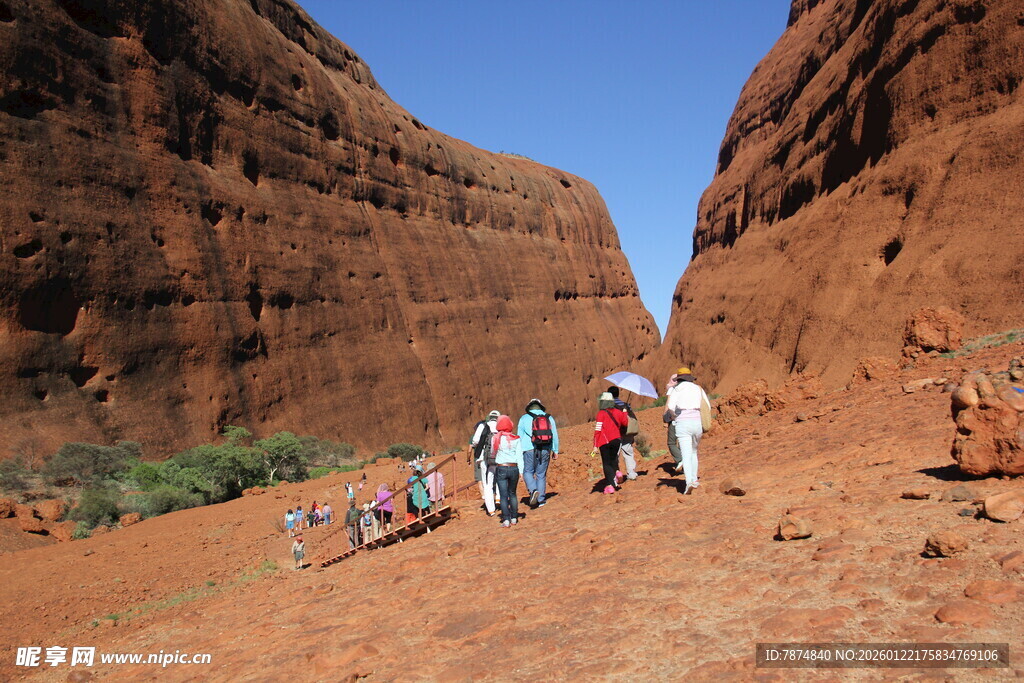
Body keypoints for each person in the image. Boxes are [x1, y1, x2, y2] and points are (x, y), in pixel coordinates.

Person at [664, 366, 711, 495]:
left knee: (686, 453)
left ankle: (689, 481)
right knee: (694, 451)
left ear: (679, 378)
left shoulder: (676, 389)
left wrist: (674, 416)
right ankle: (695, 479)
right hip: (697, 422)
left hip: (682, 423)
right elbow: (707, 405)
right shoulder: (698, 389)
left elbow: (671, 407)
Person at [516, 398, 559, 509]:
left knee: (528, 471)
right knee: (541, 474)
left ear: (529, 407)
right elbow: (554, 434)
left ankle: (533, 490)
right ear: (540, 407)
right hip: (545, 448)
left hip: (528, 449)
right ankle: (541, 500)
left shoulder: (524, 418)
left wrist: (518, 452)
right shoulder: (548, 417)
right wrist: (555, 450)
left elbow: (519, 437)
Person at [592, 391, 628, 494]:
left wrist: (595, 446)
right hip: (616, 440)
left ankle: (610, 485)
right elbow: (625, 423)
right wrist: (625, 412)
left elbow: (598, 430)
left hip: (604, 442)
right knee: (613, 460)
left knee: (606, 464)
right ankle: (617, 473)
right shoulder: (618, 412)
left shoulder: (601, 414)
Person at [492, 414, 523, 527]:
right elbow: (519, 456)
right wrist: (522, 472)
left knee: (503, 495)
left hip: (501, 467)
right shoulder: (516, 439)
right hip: (514, 468)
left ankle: (506, 520)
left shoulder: (496, 438)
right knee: (513, 494)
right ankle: (514, 518)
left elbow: (492, 453)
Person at [470, 410, 500, 516]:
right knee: (499, 478)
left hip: (485, 458)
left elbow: (475, 441)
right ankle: (498, 498)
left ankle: (491, 509)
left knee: (487, 483)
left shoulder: (483, 426)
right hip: (499, 457)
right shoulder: (501, 426)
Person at [608, 386, 639, 482]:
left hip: (615, 433)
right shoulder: (625, 405)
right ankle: (632, 474)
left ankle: (616, 476)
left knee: (614, 455)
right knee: (628, 452)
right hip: (626, 432)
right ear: (618, 394)